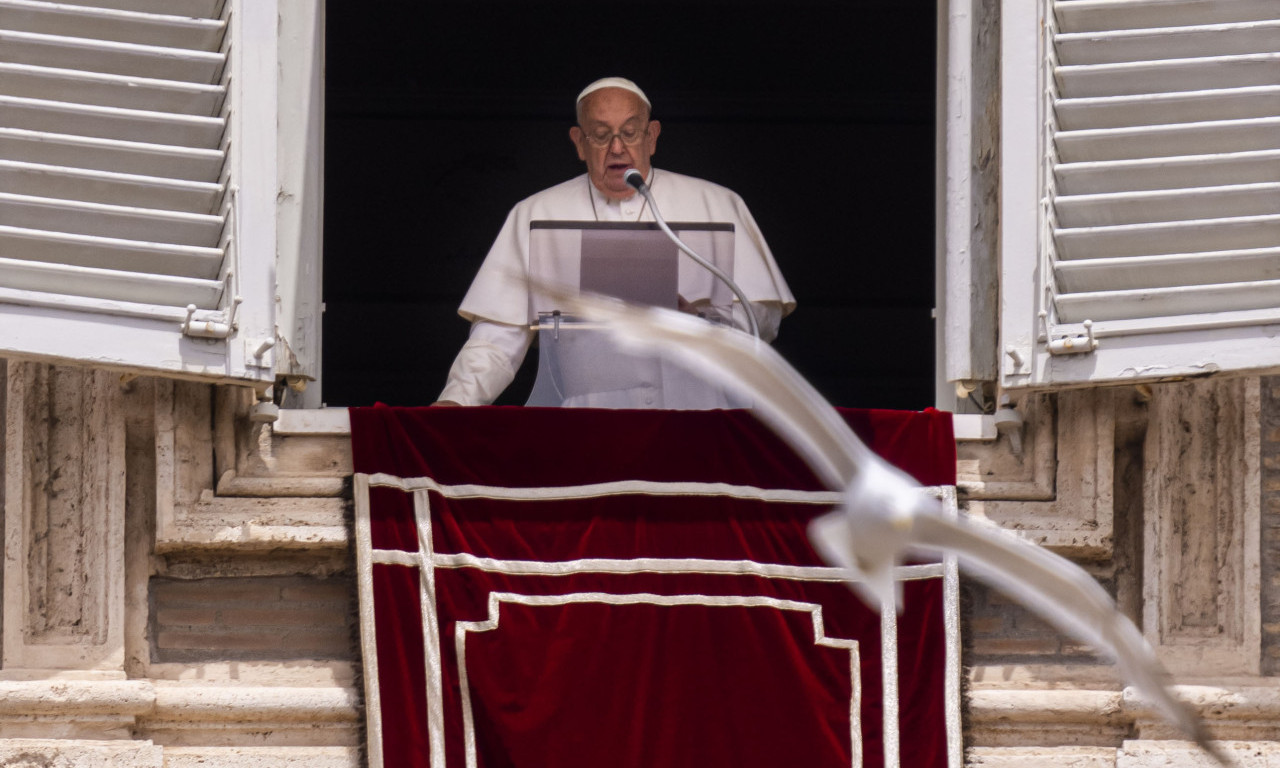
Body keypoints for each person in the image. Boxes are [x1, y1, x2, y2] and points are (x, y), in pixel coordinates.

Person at [434, 77, 795, 406]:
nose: (617, 147)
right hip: (589, 421)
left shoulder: (717, 204)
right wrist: (456, 402)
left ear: (652, 137)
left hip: (697, 412)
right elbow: (498, 336)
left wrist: (703, 320)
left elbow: (762, 317)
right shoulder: (535, 213)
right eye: (601, 135)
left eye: (631, 132)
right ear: (579, 142)